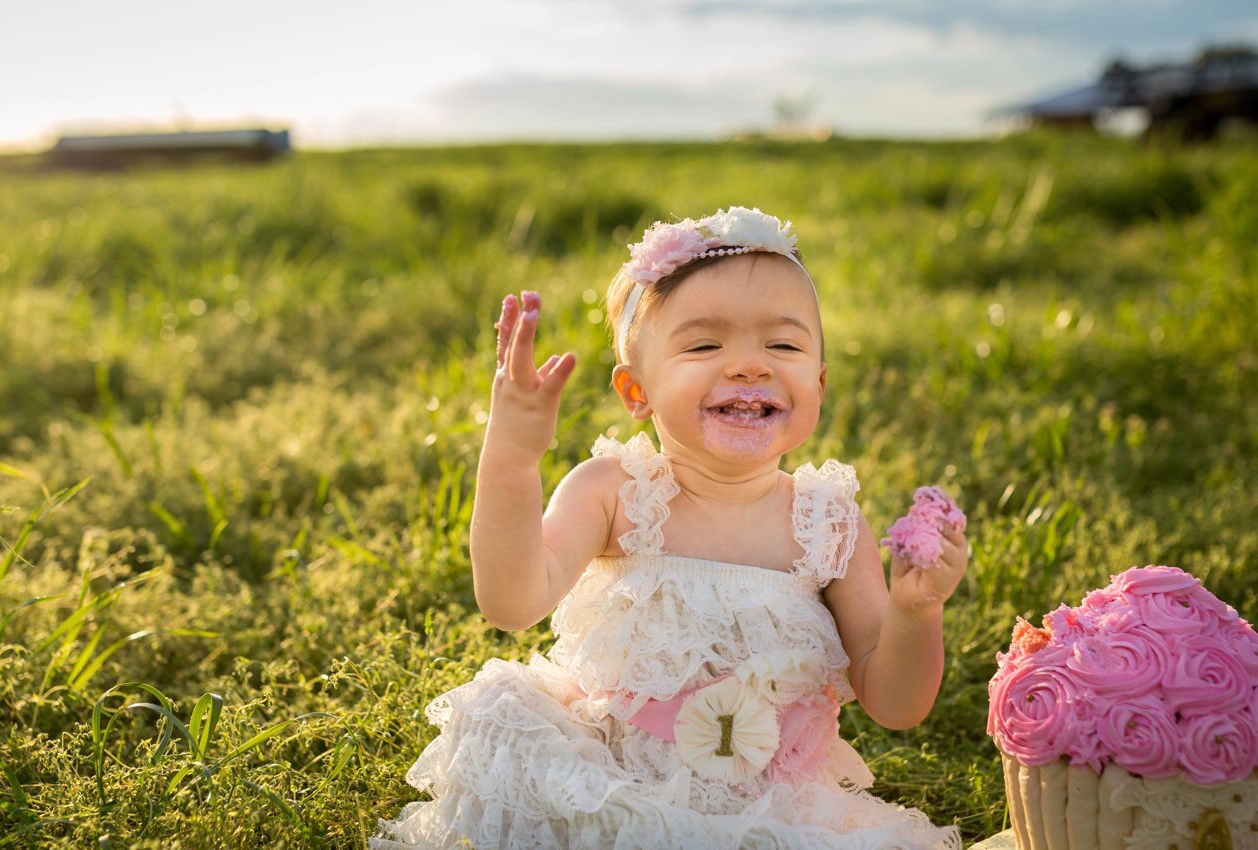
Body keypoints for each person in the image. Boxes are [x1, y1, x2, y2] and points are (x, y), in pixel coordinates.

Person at [374, 207, 969, 849]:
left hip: (778, 805)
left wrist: (917, 610)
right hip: (610, 778)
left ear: (819, 383)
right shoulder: (614, 493)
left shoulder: (830, 525)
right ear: (637, 392)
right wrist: (514, 459)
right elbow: (511, 601)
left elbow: (896, 703)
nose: (750, 365)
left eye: (785, 345)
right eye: (705, 345)